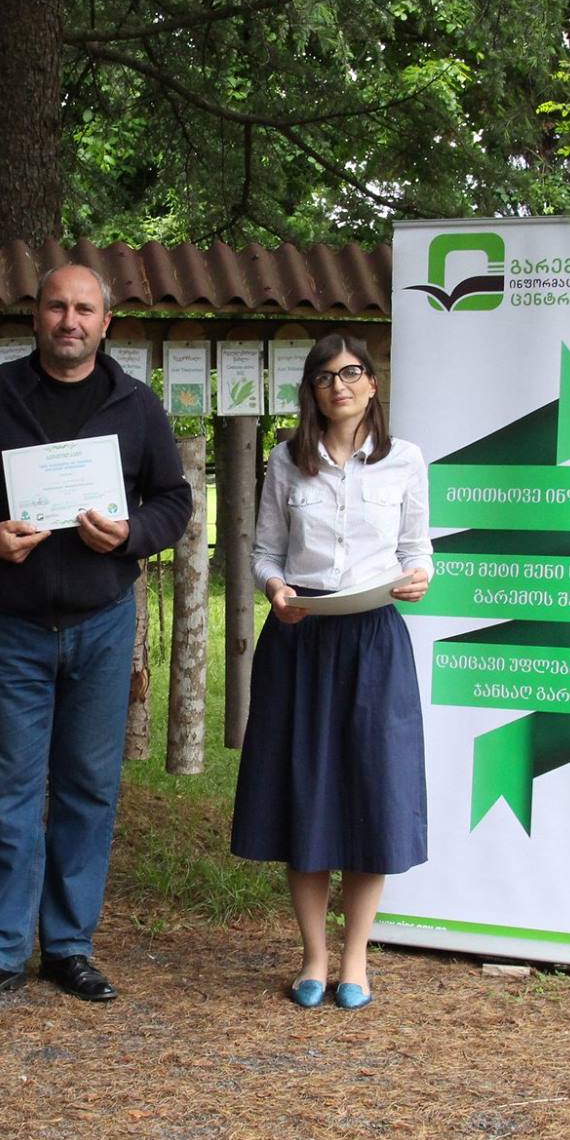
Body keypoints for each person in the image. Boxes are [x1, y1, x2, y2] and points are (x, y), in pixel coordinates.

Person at [0, 264, 194, 1008]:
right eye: (56, 306)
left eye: (83, 309)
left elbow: (174, 500)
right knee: (8, 792)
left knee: (89, 789)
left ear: (107, 322)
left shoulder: (136, 405)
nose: (69, 321)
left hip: (102, 624)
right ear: (36, 316)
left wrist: (132, 535)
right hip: (16, 623)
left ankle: (70, 947)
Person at [230, 332, 433, 1010]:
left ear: (372, 383)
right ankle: (314, 957)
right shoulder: (286, 460)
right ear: (311, 391)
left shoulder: (405, 460)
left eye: (350, 373)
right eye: (324, 376)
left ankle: (356, 961)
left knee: (373, 793)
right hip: (302, 640)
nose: (338, 386)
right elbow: (265, 552)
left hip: (374, 640)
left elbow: (417, 549)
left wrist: (419, 576)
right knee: (306, 794)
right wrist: (275, 589)